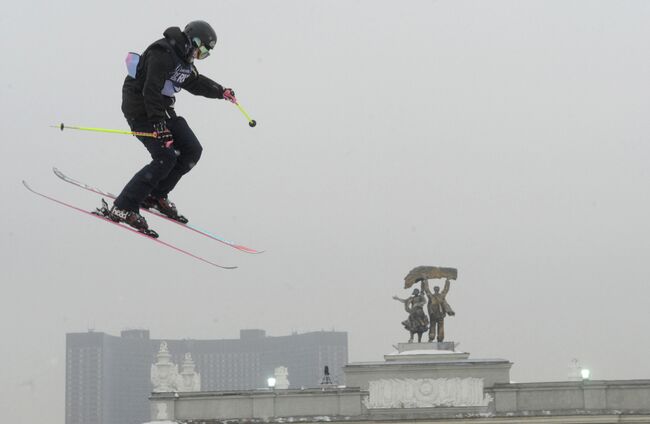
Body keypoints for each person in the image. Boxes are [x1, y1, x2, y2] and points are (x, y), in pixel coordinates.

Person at [109, 21, 236, 231]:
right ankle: (123, 206)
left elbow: (194, 82)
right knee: (166, 157)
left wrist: (220, 91)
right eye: (202, 51)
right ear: (193, 41)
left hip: (162, 111)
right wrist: (159, 126)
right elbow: (150, 90)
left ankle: (155, 195)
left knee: (192, 150)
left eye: (205, 55)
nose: (200, 57)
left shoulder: (183, 61)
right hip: (141, 110)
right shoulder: (162, 54)